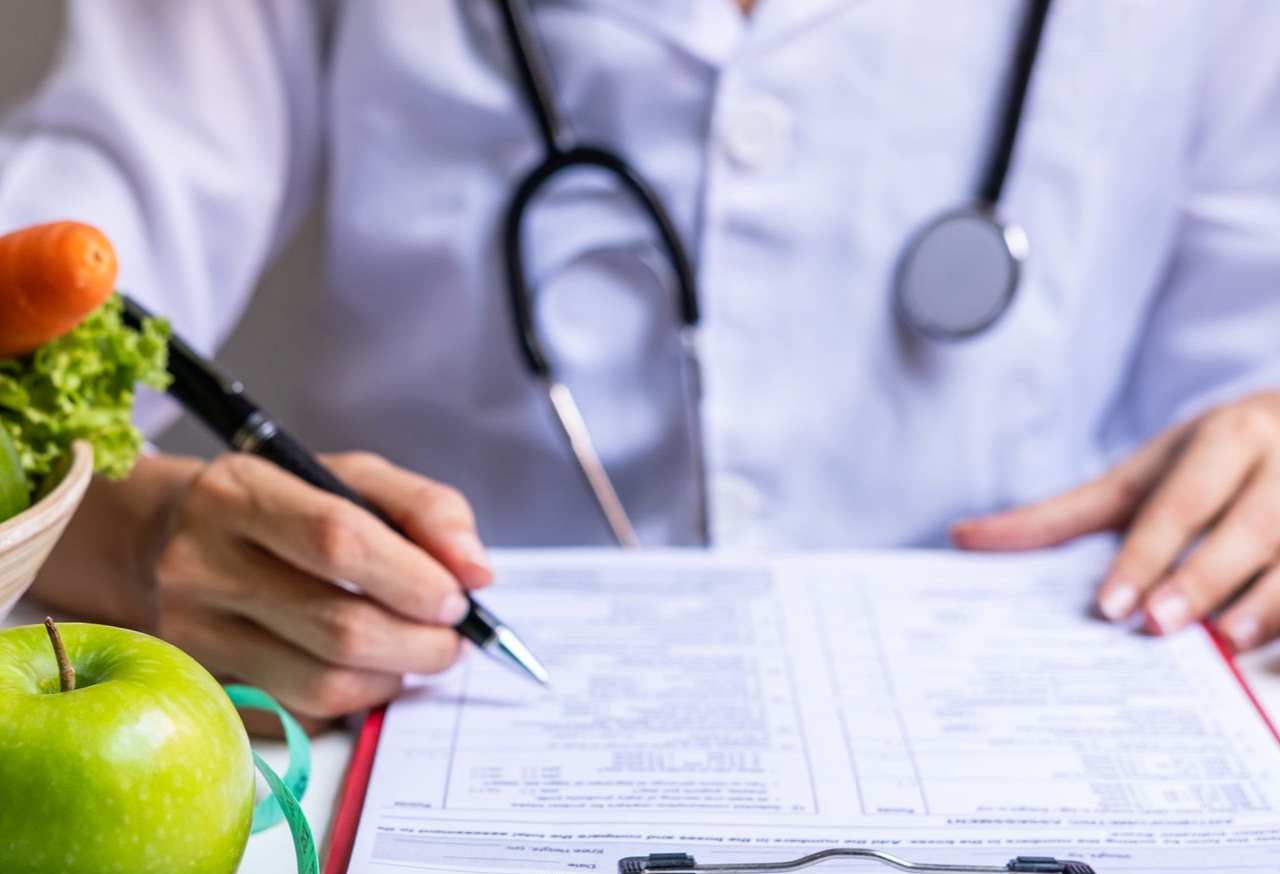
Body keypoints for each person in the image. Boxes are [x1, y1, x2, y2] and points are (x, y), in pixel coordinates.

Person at [5, 0, 1280, 723]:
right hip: (386, 728)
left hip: (1058, 745)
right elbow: (49, 275)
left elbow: (1246, 362)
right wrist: (131, 533)